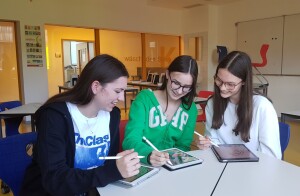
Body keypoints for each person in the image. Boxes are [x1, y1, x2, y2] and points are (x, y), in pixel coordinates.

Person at [21, 54, 141, 195]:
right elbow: (55, 180)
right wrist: (112, 171)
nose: (122, 98)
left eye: (123, 91)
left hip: (92, 190)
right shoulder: (55, 117)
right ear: (95, 86)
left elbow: (108, 161)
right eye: (117, 91)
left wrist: (120, 165)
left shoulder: (112, 115)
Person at [196, 51, 282, 159]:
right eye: (219, 80)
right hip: (222, 165)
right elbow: (213, 141)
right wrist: (206, 144)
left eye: (230, 84)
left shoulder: (262, 107)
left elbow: (271, 156)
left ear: (244, 81)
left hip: (254, 169)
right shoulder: (212, 103)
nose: (222, 88)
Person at [122, 55, 199, 167]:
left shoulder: (190, 109)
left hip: (172, 167)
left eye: (187, 87)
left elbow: (183, 147)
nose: (180, 91)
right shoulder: (144, 100)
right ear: (167, 74)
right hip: (142, 165)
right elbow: (130, 140)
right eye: (176, 83)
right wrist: (148, 155)